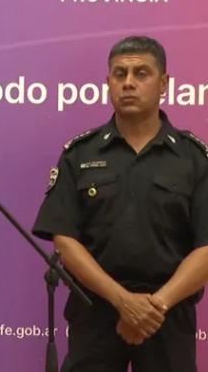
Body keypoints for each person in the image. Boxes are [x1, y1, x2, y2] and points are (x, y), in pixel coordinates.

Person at [33, 36, 208, 371]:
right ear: (108, 82)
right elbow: (64, 240)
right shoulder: (80, 154)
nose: (128, 83)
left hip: (167, 316)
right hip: (95, 311)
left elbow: (206, 247)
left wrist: (155, 306)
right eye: (119, 74)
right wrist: (122, 301)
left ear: (164, 83)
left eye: (141, 73)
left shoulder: (194, 159)